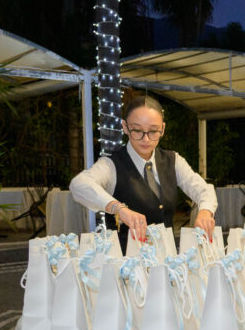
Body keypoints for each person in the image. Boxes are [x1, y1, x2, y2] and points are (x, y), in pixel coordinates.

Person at [70, 95, 217, 252]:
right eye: (137, 130)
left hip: (167, 256)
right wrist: (119, 209)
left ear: (163, 129)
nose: (146, 139)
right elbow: (79, 184)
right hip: (126, 261)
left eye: (153, 131)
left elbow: (204, 189)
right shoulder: (111, 164)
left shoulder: (173, 160)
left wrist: (205, 212)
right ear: (125, 127)